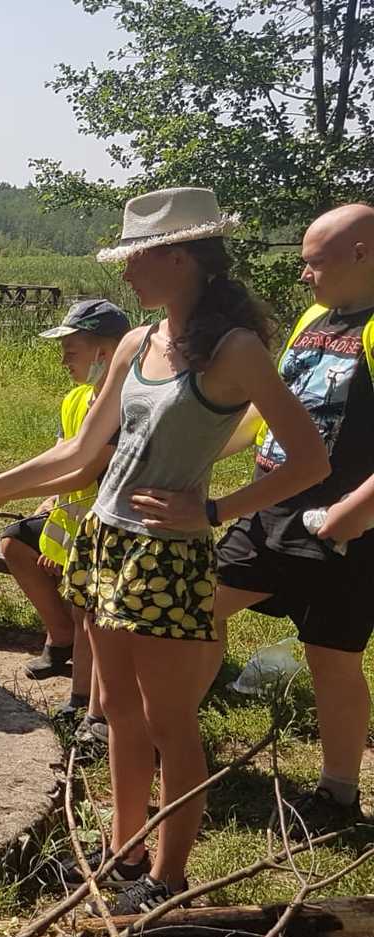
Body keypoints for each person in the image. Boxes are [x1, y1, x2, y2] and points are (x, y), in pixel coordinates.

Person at [0, 187, 329, 914]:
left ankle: (167, 875)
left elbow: (307, 459)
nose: (126, 274)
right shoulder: (136, 342)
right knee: (117, 707)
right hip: (106, 542)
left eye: (138, 258)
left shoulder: (235, 350)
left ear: (180, 258)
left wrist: (213, 508)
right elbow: (83, 452)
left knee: (169, 721)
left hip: (166, 557)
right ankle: (122, 852)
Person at [206, 203, 374, 833]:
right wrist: (202, 451)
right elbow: (273, 408)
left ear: (361, 252)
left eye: (315, 261)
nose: (304, 274)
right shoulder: (313, 319)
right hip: (267, 509)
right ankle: (177, 732)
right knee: (198, 608)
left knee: (331, 655)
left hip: (341, 525)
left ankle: (337, 794)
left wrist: (351, 516)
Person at [0, 300, 130, 751]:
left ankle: (85, 705)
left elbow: (82, 471)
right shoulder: (75, 399)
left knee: (88, 612)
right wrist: (42, 506)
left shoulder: (129, 403)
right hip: (72, 524)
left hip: (107, 529)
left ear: (103, 351)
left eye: (71, 349)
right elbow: (57, 463)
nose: (63, 359)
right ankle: (68, 661)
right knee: (16, 542)